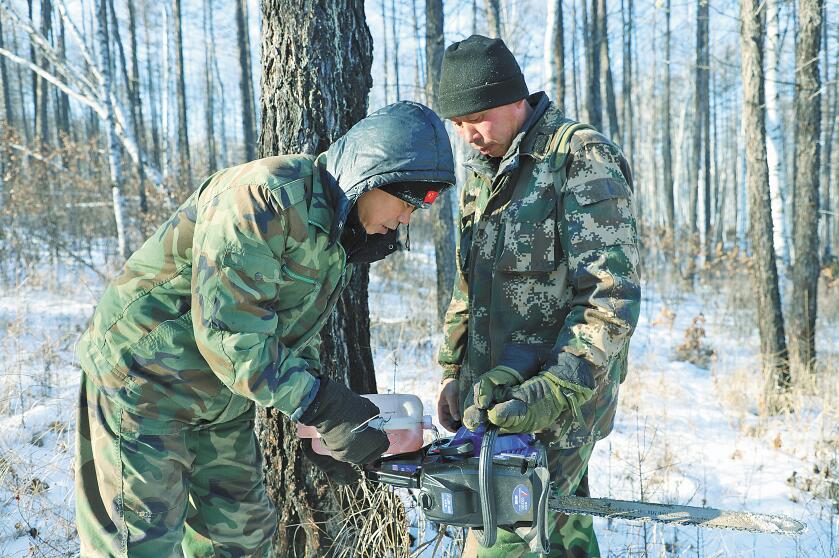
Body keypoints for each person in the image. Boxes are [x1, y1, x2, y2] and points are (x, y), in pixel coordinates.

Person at [74, 101, 456, 557]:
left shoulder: (337, 238)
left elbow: (291, 334)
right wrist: (324, 407)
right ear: (371, 177)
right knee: (139, 545)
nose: (408, 218)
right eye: (408, 200)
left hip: (221, 400)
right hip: (143, 386)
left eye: (423, 206)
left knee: (243, 540)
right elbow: (229, 337)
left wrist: (319, 428)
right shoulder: (261, 198)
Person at [434, 35, 641, 558]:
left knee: (503, 538)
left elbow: (609, 301)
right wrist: (452, 370)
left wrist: (552, 392)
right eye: (457, 125)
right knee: (561, 533)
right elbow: (469, 283)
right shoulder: (485, 170)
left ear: (513, 96)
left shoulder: (579, 158)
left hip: (561, 403)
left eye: (476, 117)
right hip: (494, 400)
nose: (469, 135)